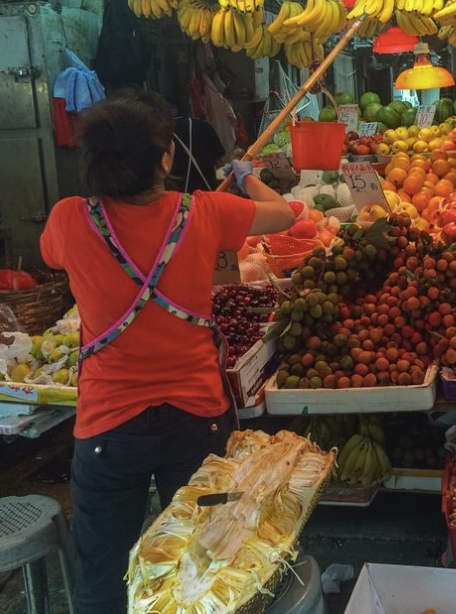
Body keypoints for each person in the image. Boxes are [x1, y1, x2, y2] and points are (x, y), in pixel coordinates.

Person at [39, 90, 294, 614]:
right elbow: (284, 214)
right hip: (195, 420)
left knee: (103, 573)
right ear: (166, 158)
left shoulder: (69, 219)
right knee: (207, 564)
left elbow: (51, 257)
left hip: (108, 429)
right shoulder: (204, 212)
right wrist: (245, 176)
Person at [167, 116, 227, 193]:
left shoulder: (161, 136)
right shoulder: (204, 127)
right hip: (209, 195)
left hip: (181, 201)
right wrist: (223, 190)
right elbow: (220, 165)